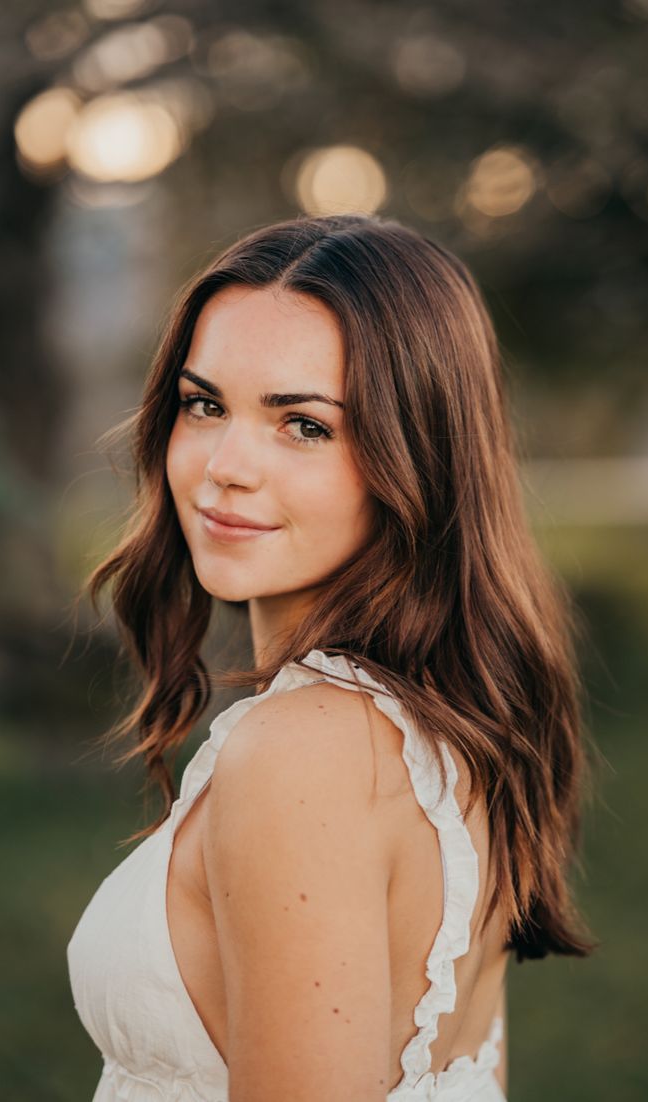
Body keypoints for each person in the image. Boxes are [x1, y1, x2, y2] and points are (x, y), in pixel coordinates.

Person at [67, 213, 598, 1102]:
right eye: (205, 405)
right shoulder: (461, 719)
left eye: (304, 425)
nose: (223, 466)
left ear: (417, 454)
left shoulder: (301, 753)